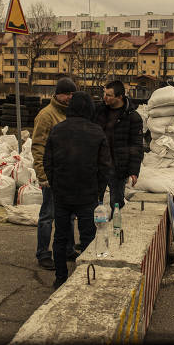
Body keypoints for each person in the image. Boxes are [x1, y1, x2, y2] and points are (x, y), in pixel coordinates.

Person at [43, 91, 112, 289]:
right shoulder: (97, 132)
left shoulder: (57, 130)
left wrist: (55, 184)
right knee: (88, 237)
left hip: (62, 193)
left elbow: (48, 162)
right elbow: (104, 167)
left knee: (60, 237)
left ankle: (61, 277)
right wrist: (98, 191)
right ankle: (85, 276)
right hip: (87, 194)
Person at [32, 77, 79, 270]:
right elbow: (38, 146)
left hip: (68, 176)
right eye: (67, 94)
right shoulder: (46, 115)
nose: (69, 97)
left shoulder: (71, 114)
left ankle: (68, 249)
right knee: (47, 215)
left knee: (68, 216)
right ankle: (43, 253)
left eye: (72, 94)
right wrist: (42, 175)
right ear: (58, 94)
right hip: (52, 176)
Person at [93, 80, 144, 216]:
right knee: (93, 204)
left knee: (116, 205)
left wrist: (134, 170)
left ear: (120, 97)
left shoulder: (132, 117)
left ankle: (115, 232)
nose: (105, 98)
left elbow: (136, 145)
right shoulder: (99, 111)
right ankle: (93, 234)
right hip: (98, 166)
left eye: (109, 95)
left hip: (118, 168)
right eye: (105, 94)